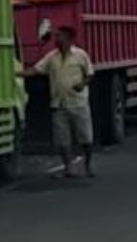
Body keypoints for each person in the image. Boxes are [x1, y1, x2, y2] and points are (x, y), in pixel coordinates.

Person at [18, 26, 95, 178]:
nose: (56, 39)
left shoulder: (80, 55)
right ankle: (68, 167)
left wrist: (82, 84)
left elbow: (90, 74)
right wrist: (17, 73)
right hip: (58, 103)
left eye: (59, 36)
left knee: (85, 136)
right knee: (62, 138)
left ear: (68, 38)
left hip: (78, 102)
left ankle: (88, 163)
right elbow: (35, 70)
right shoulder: (51, 57)